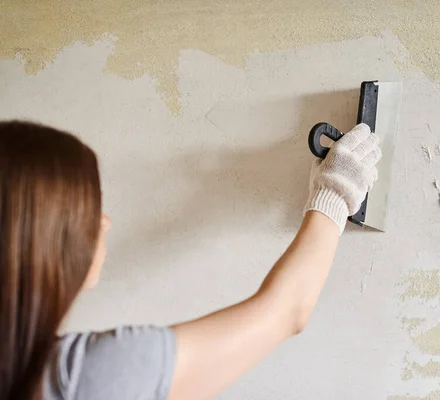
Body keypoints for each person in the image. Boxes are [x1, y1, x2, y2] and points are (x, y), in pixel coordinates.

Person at [0, 120, 381, 400]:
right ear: (41, 237)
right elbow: (285, 313)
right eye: (90, 207)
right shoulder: (85, 375)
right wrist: (335, 194)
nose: (105, 221)